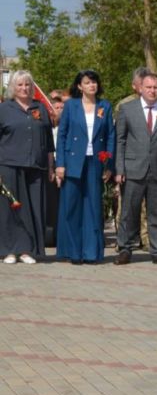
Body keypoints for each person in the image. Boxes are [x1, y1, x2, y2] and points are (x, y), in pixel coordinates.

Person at [114, 72, 157, 266]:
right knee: (129, 212)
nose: (153, 91)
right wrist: (119, 169)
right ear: (140, 88)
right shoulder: (127, 109)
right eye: (149, 87)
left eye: (156, 88)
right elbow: (120, 141)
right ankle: (125, 249)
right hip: (133, 168)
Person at [54, 70, 116, 264]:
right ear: (79, 86)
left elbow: (111, 137)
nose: (92, 85)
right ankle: (73, 252)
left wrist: (109, 165)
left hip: (96, 162)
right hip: (73, 162)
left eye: (94, 82)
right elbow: (62, 135)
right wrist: (60, 165)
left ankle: (91, 252)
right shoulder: (71, 106)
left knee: (93, 207)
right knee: (71, 207)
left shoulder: (104, 106)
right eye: (87, 82)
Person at [0, 70, 55, 264]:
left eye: (27, 85)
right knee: (10, 209)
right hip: (9, 166)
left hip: (36, 167)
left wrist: (51, 167)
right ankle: (8, 250)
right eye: (20, 85)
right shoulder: (4, 108)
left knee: (33, 209)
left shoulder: (39, 108)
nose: (24, 88)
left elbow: (49, 142)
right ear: (13, 88)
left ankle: (28, 250)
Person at [44, 90, 66, 247]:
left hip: (65, 168)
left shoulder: (68, 129)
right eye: (56, 107)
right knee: (51, 204)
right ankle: (49, 236)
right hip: (49, 168)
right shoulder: (46, 128)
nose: (59, 110)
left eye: (62, 107)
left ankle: (62, 236)